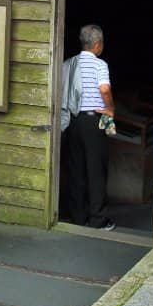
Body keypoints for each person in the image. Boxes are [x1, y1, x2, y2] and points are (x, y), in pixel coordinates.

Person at [62, 24, 116, 230]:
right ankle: (98, 220)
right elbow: (104, 89)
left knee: (76, 169)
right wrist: (110, 108)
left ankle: (78, 217)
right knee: (96, 171)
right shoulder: (100, 65)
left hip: (73, 121)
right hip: (94, 122)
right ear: (98, 45)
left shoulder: (68, 64)